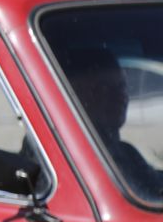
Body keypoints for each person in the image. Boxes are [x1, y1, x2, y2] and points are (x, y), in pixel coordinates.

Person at [57, 43, 163, 202]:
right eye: (104, 88)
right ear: (75, 95)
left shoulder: (126, 153)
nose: (120, 96)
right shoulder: (61, 155)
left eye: (121, 87)